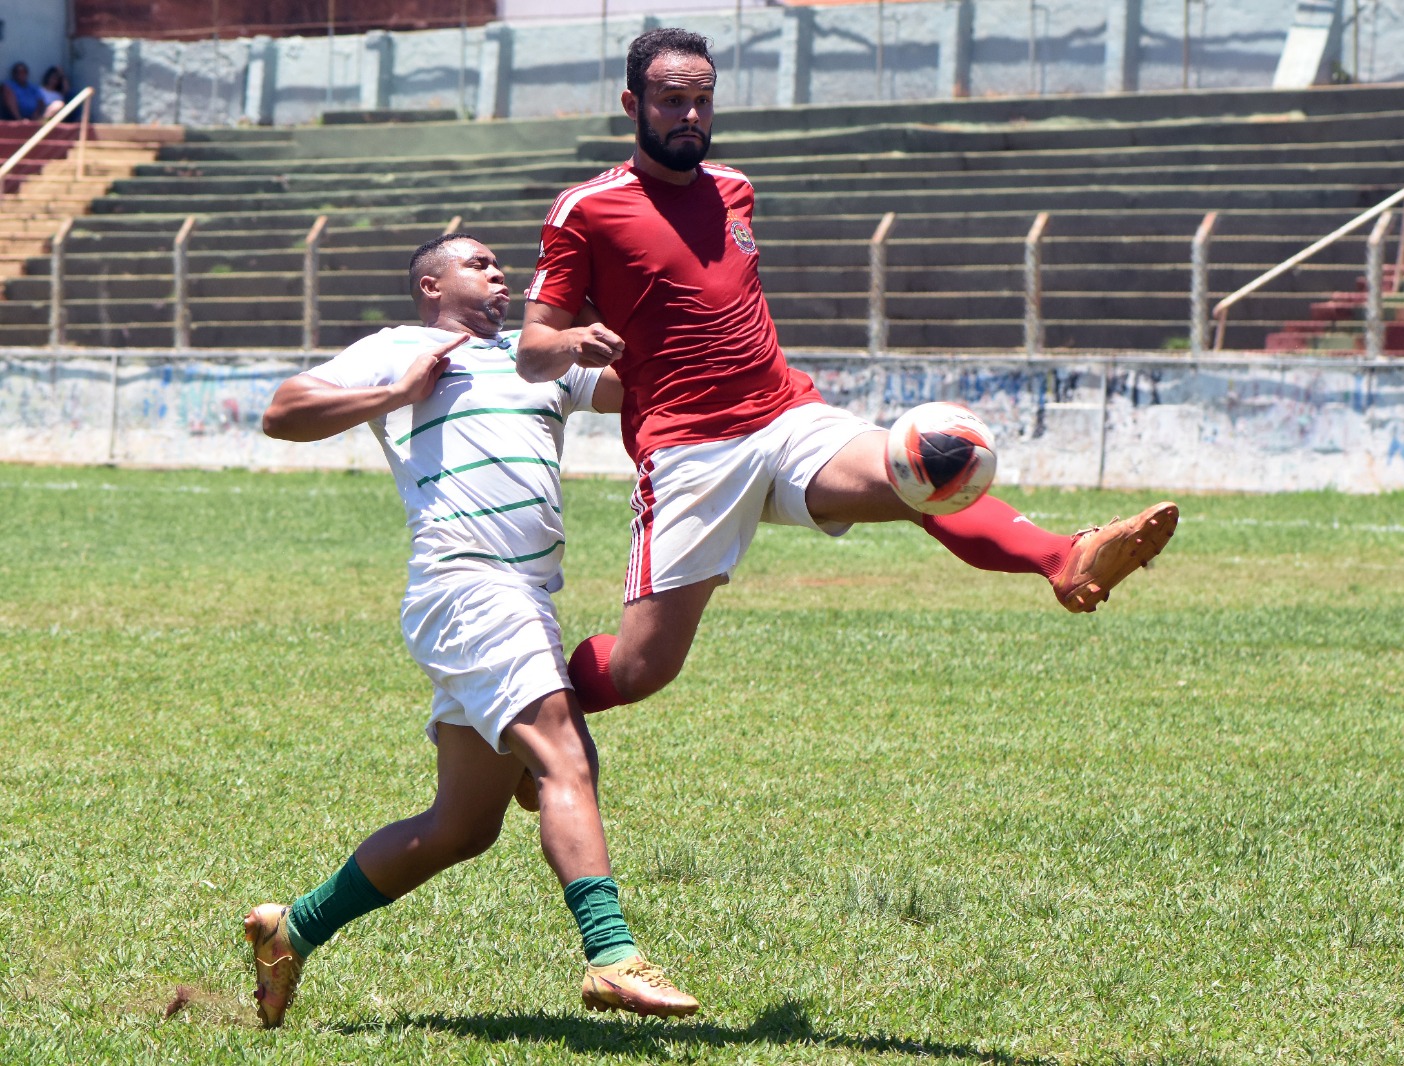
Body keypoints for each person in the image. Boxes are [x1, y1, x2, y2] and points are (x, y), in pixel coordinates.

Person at [515, 26, 1179, 719]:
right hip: (691, 451)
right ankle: (533, 729)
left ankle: (1064, 559)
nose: (690, 116)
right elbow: (534, 349)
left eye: (703, 101)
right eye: (670, 100)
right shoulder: (586, 209)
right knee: (641, 668)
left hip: (786, 414)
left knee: (923, 472)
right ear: (631, 104)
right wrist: (575, 342)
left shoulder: (736, 190)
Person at [245, 234, 698, 1028]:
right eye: (479, 264)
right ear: (430, 284)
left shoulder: (536, 358)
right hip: (468, 587)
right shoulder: (401, 348)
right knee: (565, 754)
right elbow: (283, 412)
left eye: (501, 266)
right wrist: (398, 393)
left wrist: (618, 330)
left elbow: (642, 387)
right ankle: (613, 956)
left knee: (463, 827)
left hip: (521, 595)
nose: (501, 275)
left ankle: (296, 927)